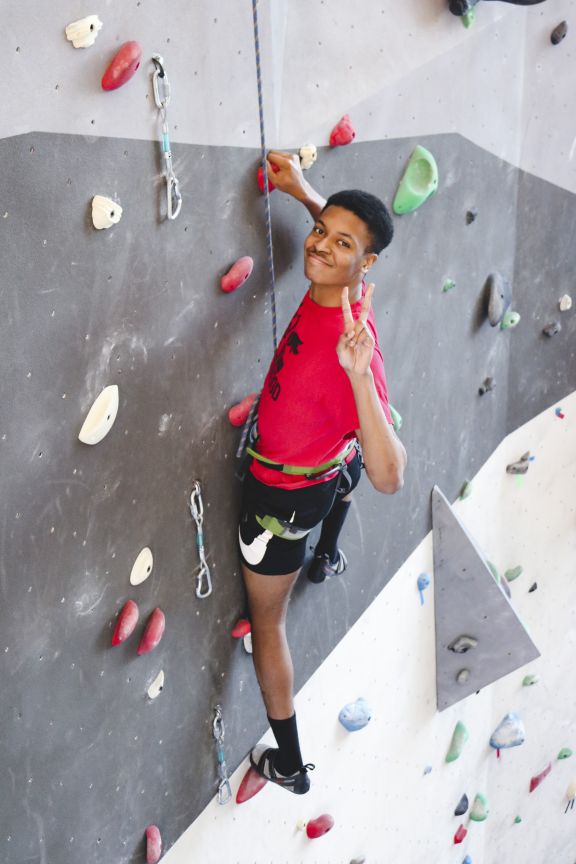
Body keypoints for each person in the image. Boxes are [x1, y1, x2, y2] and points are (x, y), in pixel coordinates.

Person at [238, 150, 407, 794]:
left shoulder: (353, 349)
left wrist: (361, 380)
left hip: (279, 497)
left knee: (268, 623)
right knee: (347, 463)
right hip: (322, 467)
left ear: (366, 267)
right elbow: (340, 242)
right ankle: (327, 553)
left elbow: (391, 473)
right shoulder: (345, 281)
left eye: (341, 244)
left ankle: (288, 763)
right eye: (320, 232)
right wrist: (307, 192)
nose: (319, 246)